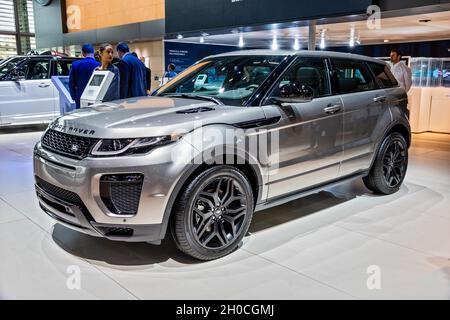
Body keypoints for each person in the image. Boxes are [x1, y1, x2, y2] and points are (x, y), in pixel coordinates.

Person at [69, 44, 100, 108]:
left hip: (80, 97)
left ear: (83, 53)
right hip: (95, 97)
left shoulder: (75, 65)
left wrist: (74, 97)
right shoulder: (99, 65)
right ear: (93, 52)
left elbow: (71, 83)